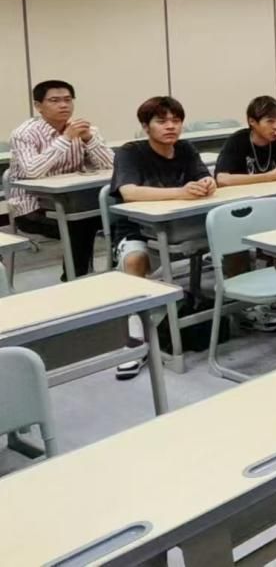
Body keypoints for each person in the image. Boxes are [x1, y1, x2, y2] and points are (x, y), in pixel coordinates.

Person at [110, 95, 217, 380]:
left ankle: (246, 308)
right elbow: (129, 192)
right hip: (138, 229)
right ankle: (134, 339)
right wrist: (180, 192)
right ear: (146, 126)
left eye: (176, 120)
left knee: (231, 239)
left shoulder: (185, 148)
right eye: (161, 121)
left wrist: (207, 183)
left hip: (182, 226)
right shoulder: (130, 152)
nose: (171, 126)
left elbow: (205, 177)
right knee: (135, 260)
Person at [8, 79, 114, 279]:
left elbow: (113, 166)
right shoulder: (23, 134)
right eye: (54, 101)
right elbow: (32, 171)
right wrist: (65, 139)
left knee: (120, 217)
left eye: (67, 99)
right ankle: (75, 280)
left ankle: (117, 273)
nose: (63, 105)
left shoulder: (86, 129)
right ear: (38, 106)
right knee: (80, 226)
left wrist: (89, 140)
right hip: (32, 207)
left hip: (78, 203)